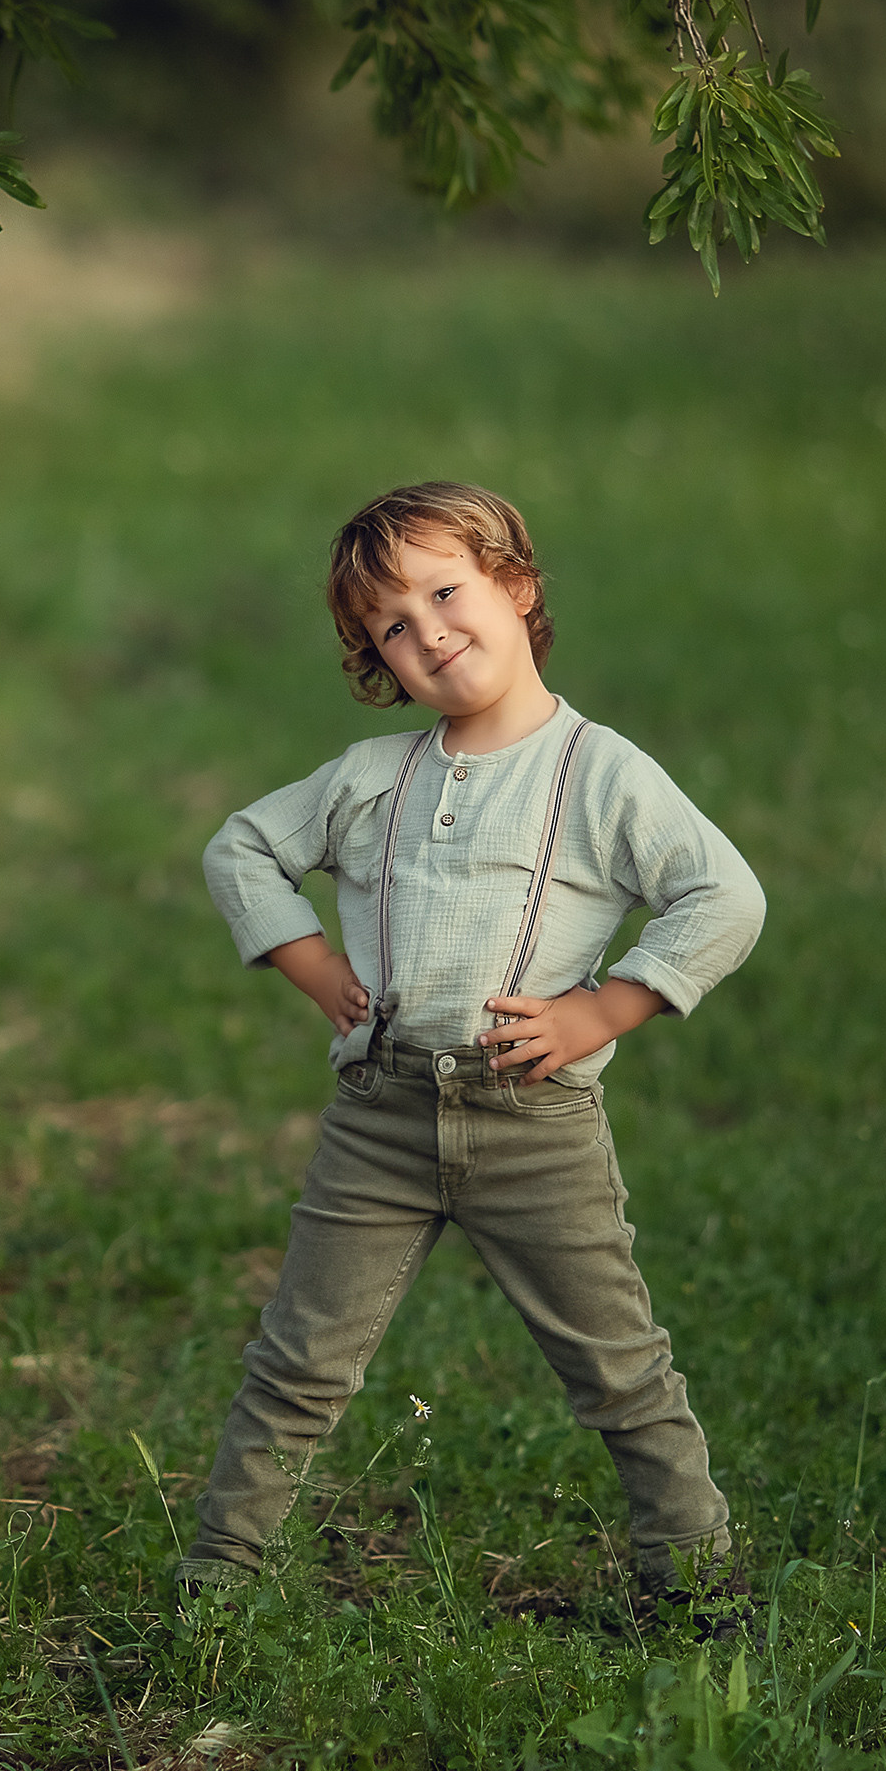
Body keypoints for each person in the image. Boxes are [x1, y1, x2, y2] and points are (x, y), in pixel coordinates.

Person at [179, 479, 767, 1602]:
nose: (429, 631)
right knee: (297, 1361)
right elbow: (240, 849)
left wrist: (607, 1008)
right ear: (377, 660)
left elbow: (722, 897)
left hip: (531, 1119)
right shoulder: (370, 779)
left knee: (616, 1366)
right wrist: (311, 967)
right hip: (381, 1119)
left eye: (446, 591)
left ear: (516, 586)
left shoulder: (600, 772)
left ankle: (695, 1583)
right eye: (391, 626)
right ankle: (217, 1585)